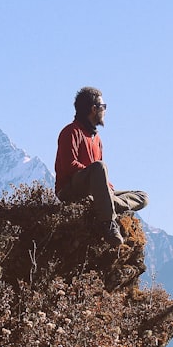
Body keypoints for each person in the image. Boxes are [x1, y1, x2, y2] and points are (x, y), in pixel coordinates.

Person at [55, 87, 148, 245]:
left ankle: (105, 201)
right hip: (70, 188)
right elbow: (68, 166)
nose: (105, 111)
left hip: (94, 189)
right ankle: (108, 223)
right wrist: (94, 174)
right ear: (94, 109)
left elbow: (100, 174)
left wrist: (106, 187)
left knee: (143, 196)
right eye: (103, 107)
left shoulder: (97, 139)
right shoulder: (71, 132)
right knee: (99, 166)